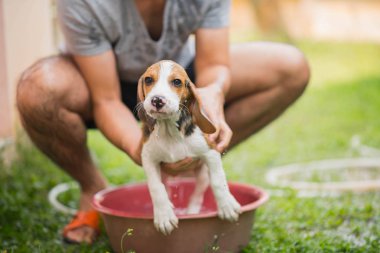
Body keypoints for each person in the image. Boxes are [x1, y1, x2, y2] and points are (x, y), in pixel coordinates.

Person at [16, 0, 309, 244]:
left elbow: (214, 66)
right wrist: (144, 151)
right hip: (98, 82)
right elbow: (105, 100)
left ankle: (193, 159)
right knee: (38, 90)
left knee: (290, 67)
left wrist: (213, 94)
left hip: (178, 78)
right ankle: (92, 188)